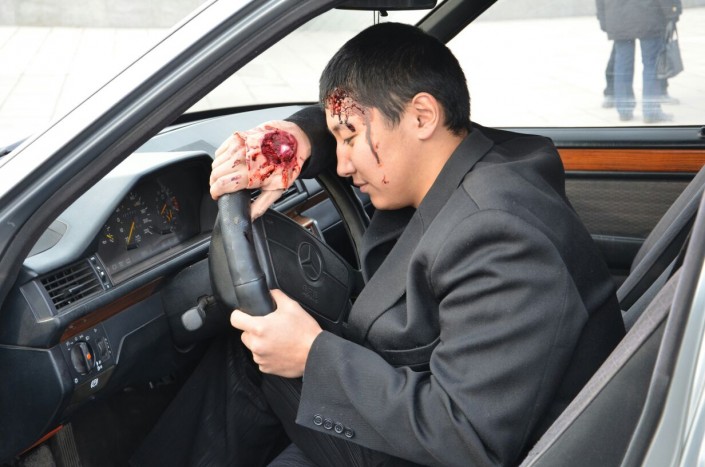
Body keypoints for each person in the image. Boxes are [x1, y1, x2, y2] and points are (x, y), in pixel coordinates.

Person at [132, 22, 625, 466]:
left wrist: (311, 355)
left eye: (349, 138)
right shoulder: (486, 156)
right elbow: (359, 115)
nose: (343, 163)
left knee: (249, 357)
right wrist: (299, 139)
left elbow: (467, 437)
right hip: (423, 397)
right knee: (256, 350)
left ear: (422, 116)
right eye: (336, 140)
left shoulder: (498, 236)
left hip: (446, 445)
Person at [596, 0, 682, 123]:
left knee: (622, 64)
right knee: (651, 63)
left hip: (618, 17)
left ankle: (624, 110)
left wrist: (602, 17)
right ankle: (651, 111)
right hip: (649, 15)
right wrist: (672, 13)